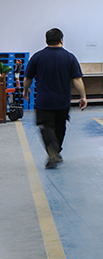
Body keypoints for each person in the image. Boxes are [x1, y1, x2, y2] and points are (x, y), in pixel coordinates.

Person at [23, 28, 88, 169]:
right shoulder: (69, 57)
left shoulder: (37, 57)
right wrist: (83, 96)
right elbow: (77, 79)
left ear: (46, 40)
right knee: (60, 128)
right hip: (62, 101)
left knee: (46, 127)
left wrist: (25, 90)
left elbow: (28, 78)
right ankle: (56, 151)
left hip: (44, 101)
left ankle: (52, 151)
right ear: (61, 40)